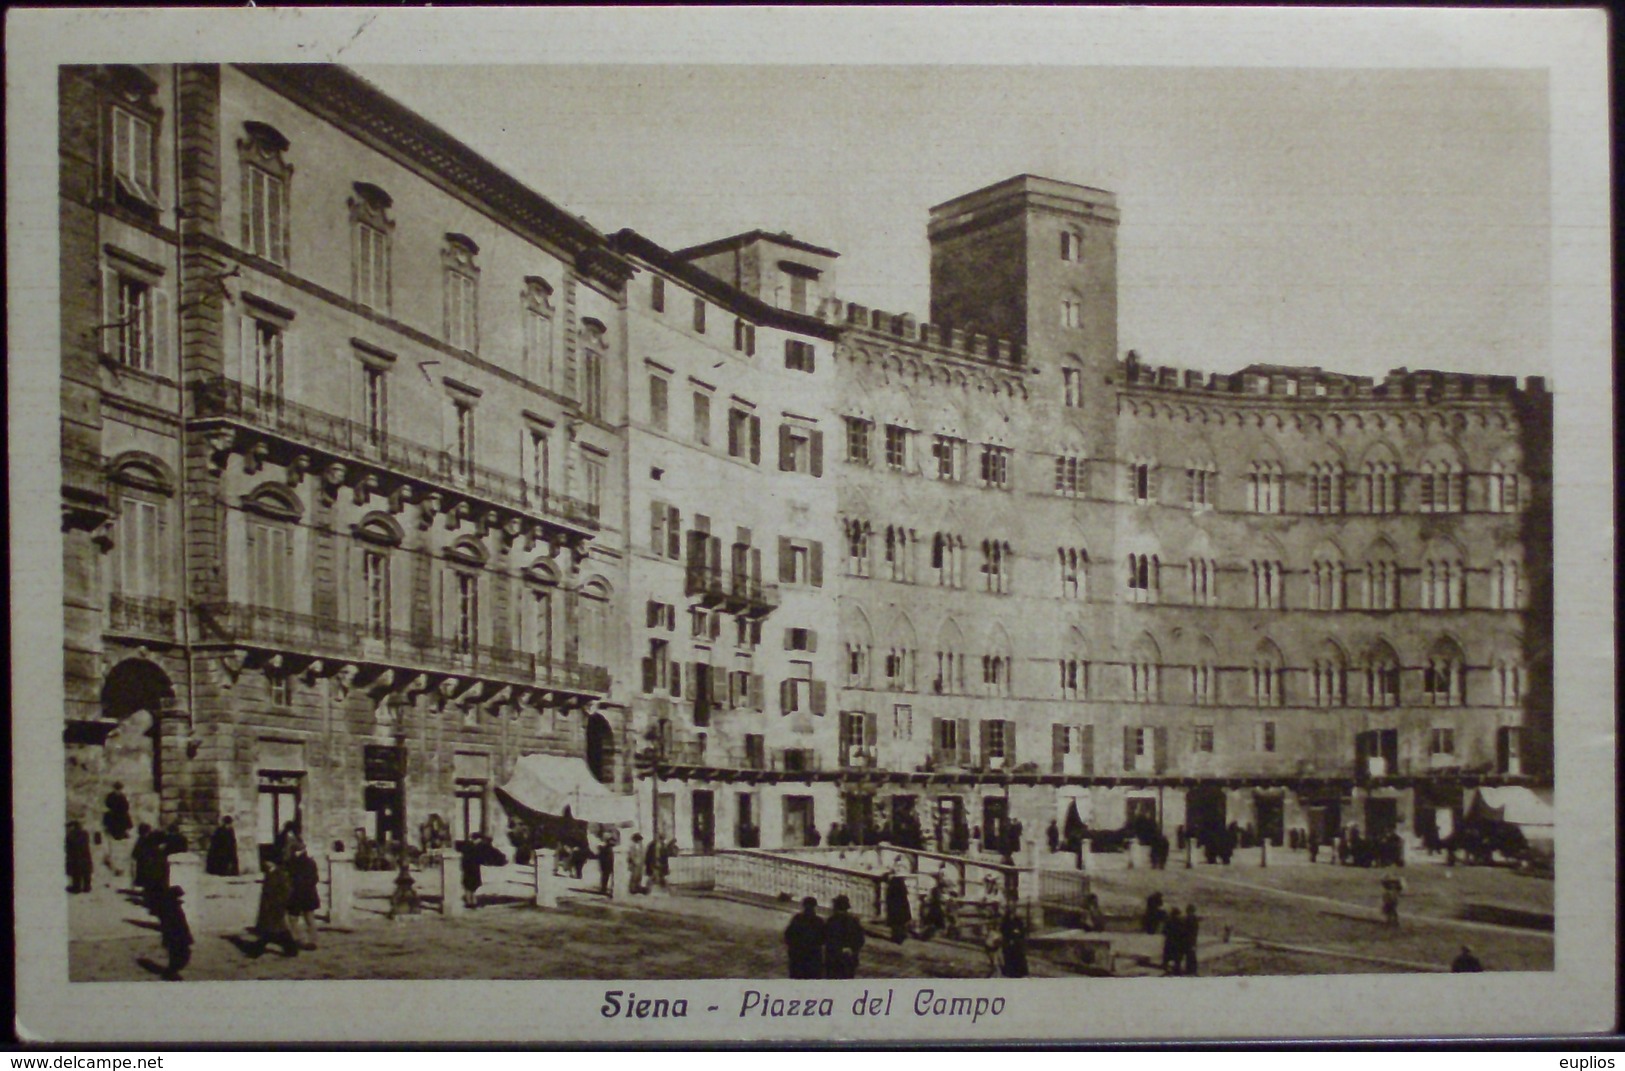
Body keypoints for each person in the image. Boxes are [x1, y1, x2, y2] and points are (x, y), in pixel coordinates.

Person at [250, 859, 299, 958]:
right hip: (269, 907)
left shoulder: (279, 874)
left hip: (275, 907)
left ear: (272, 862)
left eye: (267, 861)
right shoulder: (270, 873)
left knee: (276, 931)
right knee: (272, 930)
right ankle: (291, 950)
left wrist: (280, 903)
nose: (264, 863)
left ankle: (256, 951)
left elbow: (287, 891)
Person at [284, 839, 321, 950]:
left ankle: (300, 940)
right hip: (309, 895)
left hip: (296, 895)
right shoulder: (311, 862)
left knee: (293, 919)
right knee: (310, 918)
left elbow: (288, 879)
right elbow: (315, 879)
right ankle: (313, 941)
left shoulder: (291, 863)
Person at [155, 885, 193, 981]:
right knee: (181, 955)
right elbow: (179, 924)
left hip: (176, 937)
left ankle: (171, 970)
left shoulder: (170, 907)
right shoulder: (172, 909)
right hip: (177, 937)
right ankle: (171, 971)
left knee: (178, 955)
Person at [823, 894, 866, 979]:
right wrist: (852, 949)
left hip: (833, 959)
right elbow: (860, 939)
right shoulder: (854, 921)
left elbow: (825, 938)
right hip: (849, 959)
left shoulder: (831, 921)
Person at [784, 897, 827, 979]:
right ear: (815, 906)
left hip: (798, 957)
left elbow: (788, 936)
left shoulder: (797, 919)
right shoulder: (819, 921)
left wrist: (793, 949)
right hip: (813, 957)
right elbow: (823, 939)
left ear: (803, 906)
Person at [101, 782, 133, 883]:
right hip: (119, 825)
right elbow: (126, 809)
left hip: (114, 825)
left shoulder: (110, 800)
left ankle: (116, 868)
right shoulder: (122, 799)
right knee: (119, 847)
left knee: (114, 848)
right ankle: (118, 868)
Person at [458, 832, 494, 909]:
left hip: (470, 869)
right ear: (477, 839)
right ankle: (471, 901)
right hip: (472, 869)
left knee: (470, 886)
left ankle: (471, 901)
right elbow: (479, 858)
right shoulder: (473, 847)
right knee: (470, 886)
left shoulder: (468, 846)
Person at [999, 904, 1030, 978]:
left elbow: (1022, 931)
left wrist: (1017, 933)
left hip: (1017, 942)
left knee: (1018, 955)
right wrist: (1011, 935)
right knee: (1009, 956)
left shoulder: (1018, 921)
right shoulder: (1005, 921)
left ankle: (1020, 971)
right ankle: (1009, 971)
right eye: (1010, 913)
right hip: (1008, 942)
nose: (1012, 914)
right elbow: (1003, 931)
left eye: (1013, 912)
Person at [66, 820, 94, 894]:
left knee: (76, 872)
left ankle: (76, 887)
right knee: (86, 871)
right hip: (85, 855)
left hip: (76, 856)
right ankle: (87, 886)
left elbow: (69, 846)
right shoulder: (85, 833)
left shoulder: (71, 835)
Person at [884, 870, 912, 943]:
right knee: (900, 923)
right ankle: (900, 936)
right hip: (901, 906)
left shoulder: (894, 883)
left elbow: (890, 897)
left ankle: (897, 937)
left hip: (896, 907)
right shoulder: (899, 882)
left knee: (896, 924)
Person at [1161, 907, 1185, 974]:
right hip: (1177, 942)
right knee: (1177, 957)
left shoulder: (1168, 921)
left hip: (1170, 941)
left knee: (1167, 956)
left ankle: (1166, 968)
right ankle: (1177, 969)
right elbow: (1183, 932)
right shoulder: (1181, 921)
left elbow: (1164, 931)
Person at [1183, 904, 1202, 976]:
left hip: (1189, 939)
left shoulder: (1189, 919)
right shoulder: (1193, 919)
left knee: (1190, 955)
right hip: (1191, 939)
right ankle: (1191, 969)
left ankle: (1190, 970)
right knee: (1191, 955)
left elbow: (1188, 930)